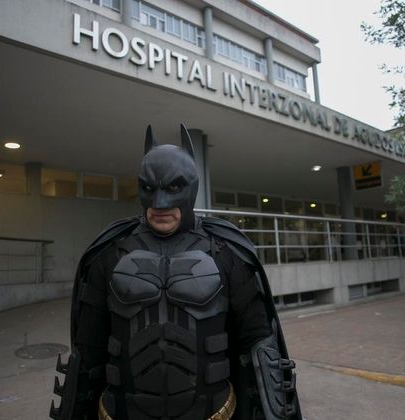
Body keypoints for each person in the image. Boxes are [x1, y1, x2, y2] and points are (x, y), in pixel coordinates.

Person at [50, 125, 301, 420]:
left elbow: (257, 346)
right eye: (149, 188)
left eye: (172, 188)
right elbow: (87, 353)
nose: (160, 204)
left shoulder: (228, 252)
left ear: (191, 188)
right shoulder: (109, 254)